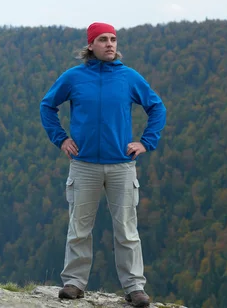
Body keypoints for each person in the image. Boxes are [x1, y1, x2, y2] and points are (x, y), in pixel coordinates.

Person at [39, 22, 166, 307]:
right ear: (91, 45)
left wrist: (146, 142)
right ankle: (73, 283)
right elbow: (47, 106)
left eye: (113, 39)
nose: (110, 44)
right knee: (79, 227)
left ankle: (135, 288)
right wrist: (61, 139)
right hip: (83, 164)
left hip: (122, 165)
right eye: (103, 40)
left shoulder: (129, 77)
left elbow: (157, 107)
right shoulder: (73, 77)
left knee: (126, 229)